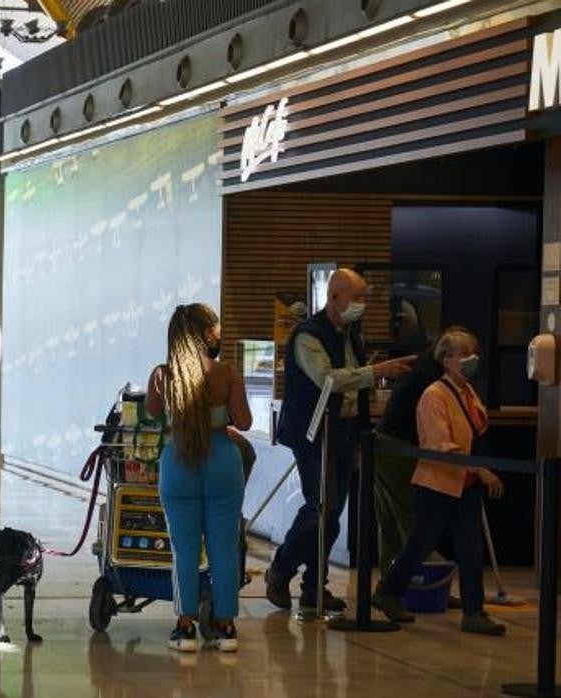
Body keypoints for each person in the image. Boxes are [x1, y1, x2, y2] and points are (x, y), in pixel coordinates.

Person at [266, 268, 415, 612]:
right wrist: (376, 372)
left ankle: (313, 586)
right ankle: (282, 567)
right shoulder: (307, 335)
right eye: (356, 297)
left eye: (365, 298)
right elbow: (328, 379)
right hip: (314, 433)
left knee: (333, 513)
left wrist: (363, 433)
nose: (362, 305)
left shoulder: (351, 333)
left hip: (346, 431)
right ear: (334, 297)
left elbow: (354, 387)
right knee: (320, 507)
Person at [372, 327, 507, 635]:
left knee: (470, 547)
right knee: (421, 542)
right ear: (446, 360)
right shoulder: (434, 395)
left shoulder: (468, 392)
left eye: (474, 353)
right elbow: (438, 444)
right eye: (463, 354)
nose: (471, 359)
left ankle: (475, 611)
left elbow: (476, 430)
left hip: (465, 482)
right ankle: (389, 591)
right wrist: (479, 469)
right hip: (438, 482)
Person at [146, 304, 252, 652]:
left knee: (184, 550)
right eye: (217, 328)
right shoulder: (227, 374)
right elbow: (245, 421)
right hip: (222, 462)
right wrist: (219, 418)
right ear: (206, 334)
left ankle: (185, 627)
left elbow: (153, 412)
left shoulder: (162, 375)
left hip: (179, 463)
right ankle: (226, 627)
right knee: (224, 549)